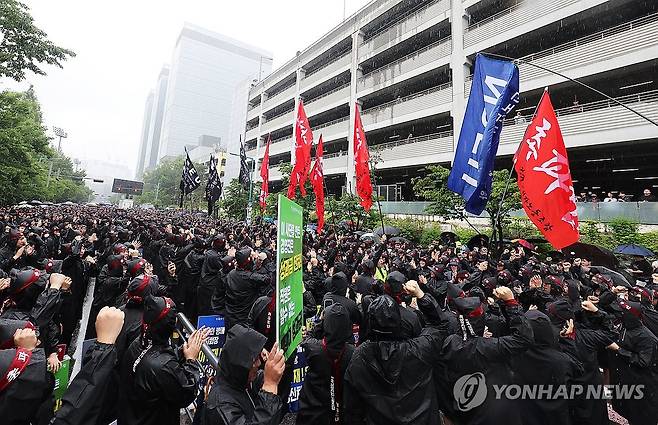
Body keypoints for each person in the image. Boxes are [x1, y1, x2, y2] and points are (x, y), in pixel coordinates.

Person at [343, 281, 448, 425]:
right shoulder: (419, 349)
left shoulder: (360, 356)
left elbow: (352, 409)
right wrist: (420, 295)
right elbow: (440, 325)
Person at [118, 296, 207, 425]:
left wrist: (182, 351)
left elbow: (157, 360)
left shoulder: (138, 343)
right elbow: (186, 393)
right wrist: (191, 360)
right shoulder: (162, 365)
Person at [203, 324, 285, 425]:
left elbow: (267, 380)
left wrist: (275, 368)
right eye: (254, 360)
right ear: (241, 365)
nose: (259, 363)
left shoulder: (241, 379)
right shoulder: (222, 405)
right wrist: (270, 385)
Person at [296, 303, 355, 425]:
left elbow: (309, 337)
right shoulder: (353, 352)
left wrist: (320, 323)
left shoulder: (314, 348)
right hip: (342, 408)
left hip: (313, 410)